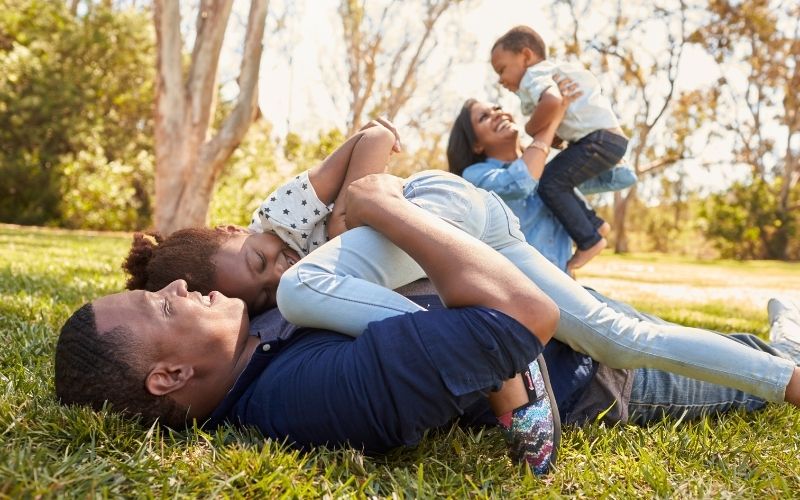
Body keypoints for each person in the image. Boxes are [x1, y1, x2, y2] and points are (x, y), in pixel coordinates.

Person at [57, 172, 563, 475]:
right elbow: (523, 317)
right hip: (594, 373)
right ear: (170, 376)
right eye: (163, 307)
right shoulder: (308, 397)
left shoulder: (255, 330)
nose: (177, 290)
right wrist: (386, 208)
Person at [442, 96, 800, 408]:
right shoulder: (478, 176)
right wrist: (548, 123)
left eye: (497, 107)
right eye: (484, 117)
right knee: (645, 346)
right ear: (474, 143)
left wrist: (588, 141)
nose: (499, 113)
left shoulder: (550, 172)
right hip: (542, 304)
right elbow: (523, 180)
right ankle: (789, 345)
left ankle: (786, 339)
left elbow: (619, 178)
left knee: (678, 338)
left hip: (573, 293)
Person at [490, 25, 629, 272]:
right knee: (558, 179)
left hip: (597, 140)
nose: (500, 79)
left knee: (549, 183)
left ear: (526, 56)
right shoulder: (554, 70)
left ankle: (590, 240)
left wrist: (532, 129)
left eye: (502, 69)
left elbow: (553, 100)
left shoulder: (534, 75)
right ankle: (595, 224)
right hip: (604, 139)